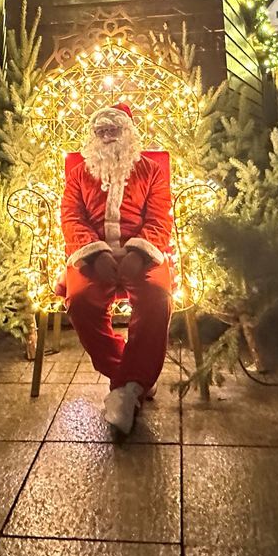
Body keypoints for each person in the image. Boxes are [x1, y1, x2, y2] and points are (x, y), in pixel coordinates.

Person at [61, 103, 174, 434]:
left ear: (128, 134)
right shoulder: (80, 174)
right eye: (101, 132)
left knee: (157, 297)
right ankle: (134, 380)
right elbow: (71, 217)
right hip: (93, 256)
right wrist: (95, 254)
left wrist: (139, 251)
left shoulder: (151, 171)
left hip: (142, 254)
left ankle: (124, 388)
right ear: (93, 136)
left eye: (114, 131)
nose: (108, 137)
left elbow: (159, 217)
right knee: (80, 301)